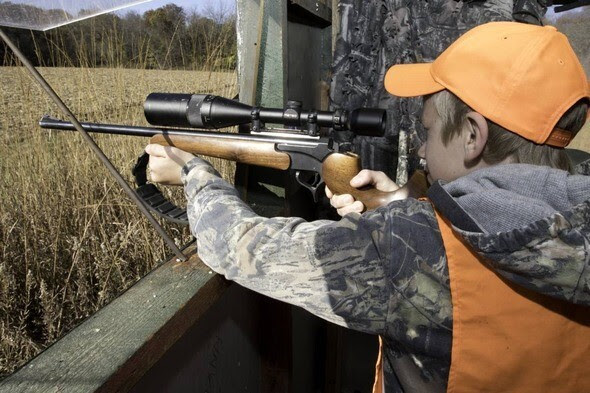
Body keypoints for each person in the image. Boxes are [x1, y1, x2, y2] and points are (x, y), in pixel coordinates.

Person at [146, 22, 590, 392]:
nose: (420, 146)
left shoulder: (409, 246)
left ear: (472, 135)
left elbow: (240, 247)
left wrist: (192, 174)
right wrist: (407, 203)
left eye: (430, 131)